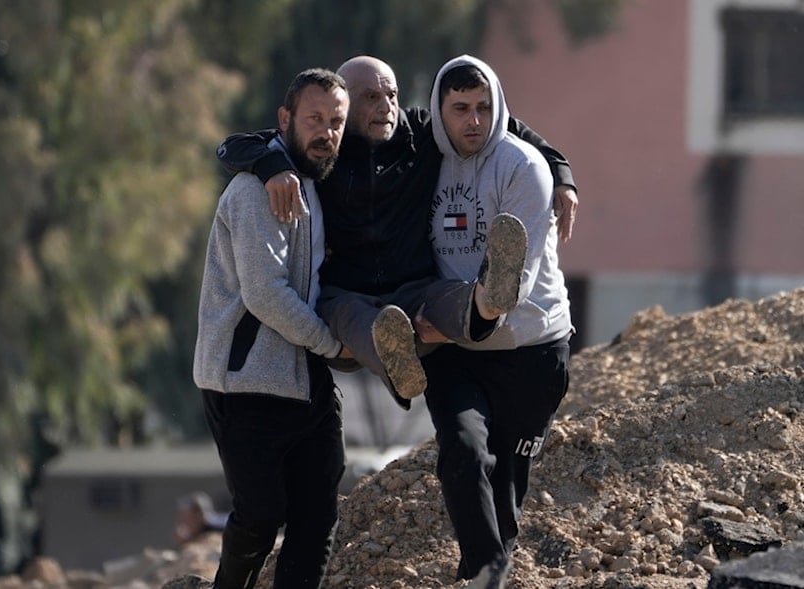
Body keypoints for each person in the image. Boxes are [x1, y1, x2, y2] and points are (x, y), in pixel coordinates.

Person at [216, 55, 577, 408]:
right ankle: (396, 360)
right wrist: (270, 165)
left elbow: (498, 121)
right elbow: (235, 145)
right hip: (346, 292)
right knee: (349, 314)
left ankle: (488, 301)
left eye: (392, 95)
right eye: (371, 97)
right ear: (344, 105)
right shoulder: (324, 148)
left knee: (449, 295)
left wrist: (559, 171)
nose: (386, 106)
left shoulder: (420, 134)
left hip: (414, 286)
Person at [413, 54, 574, 586]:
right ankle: (486, 573)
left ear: (499, 106)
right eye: (460, 108)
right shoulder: (421, 161)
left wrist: (564, 175)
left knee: (506, 489)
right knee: (461, 453)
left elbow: (522, 276)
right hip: (455, 351)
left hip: (532, 346)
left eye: (484, 107)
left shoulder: (525, 165)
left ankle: (483, 570)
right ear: (439, 111)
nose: (474, 121)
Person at [193, 68, 351, 589]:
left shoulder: (318, 182)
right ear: (286, 120)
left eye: (335, 121)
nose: (326, 131)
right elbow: (265, 295)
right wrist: (332, 344)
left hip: (306, 380)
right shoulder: (255, 190)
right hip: (246, 383)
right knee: (259, 516)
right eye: (314, 119)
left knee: (317, 518)